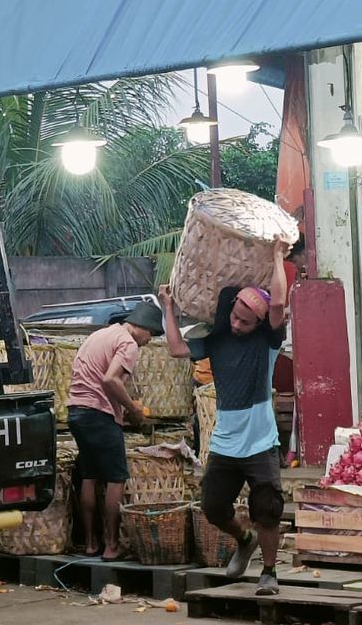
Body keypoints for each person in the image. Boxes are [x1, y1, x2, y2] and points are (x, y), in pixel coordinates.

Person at [161, 236, 290, 596]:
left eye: (246, 323)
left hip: (261, 440)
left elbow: (277, 302)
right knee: (214, 507)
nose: (237, 325)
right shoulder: (216, 339)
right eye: (235, 317)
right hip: (226, 442)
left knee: (268, 507)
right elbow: (175, 348)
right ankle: (244, 539)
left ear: (259, 324)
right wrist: (167, 306)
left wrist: (278, 256)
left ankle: (269, 572)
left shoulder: (267, 342)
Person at [65, 302, 165, 560]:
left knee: (89, 475)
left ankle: (90, 543)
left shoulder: (101, 334)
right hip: (98, 413)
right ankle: (111, 545)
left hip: (77, 411)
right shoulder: (128, 343)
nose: (148, 341)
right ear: (143, 327)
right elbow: (110, 379)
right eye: (151, 335)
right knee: (116, 477)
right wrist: (133, 410)